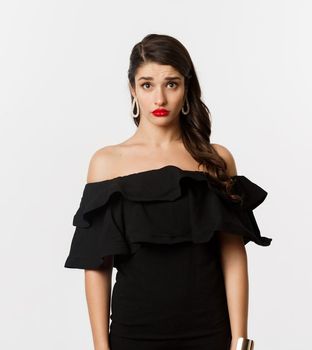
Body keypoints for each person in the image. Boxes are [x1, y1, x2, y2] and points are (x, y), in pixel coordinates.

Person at [63, 33, 272, 350]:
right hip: (133, 334)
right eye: (147, 85)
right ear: (133, 89)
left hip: (210, 333)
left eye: (171, 84)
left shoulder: (216, 160)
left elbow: (233, 255)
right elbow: (97, 264)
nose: (159, 98)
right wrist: (100, 348)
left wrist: (240, 341)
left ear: (187, 89)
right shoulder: (107, 163)